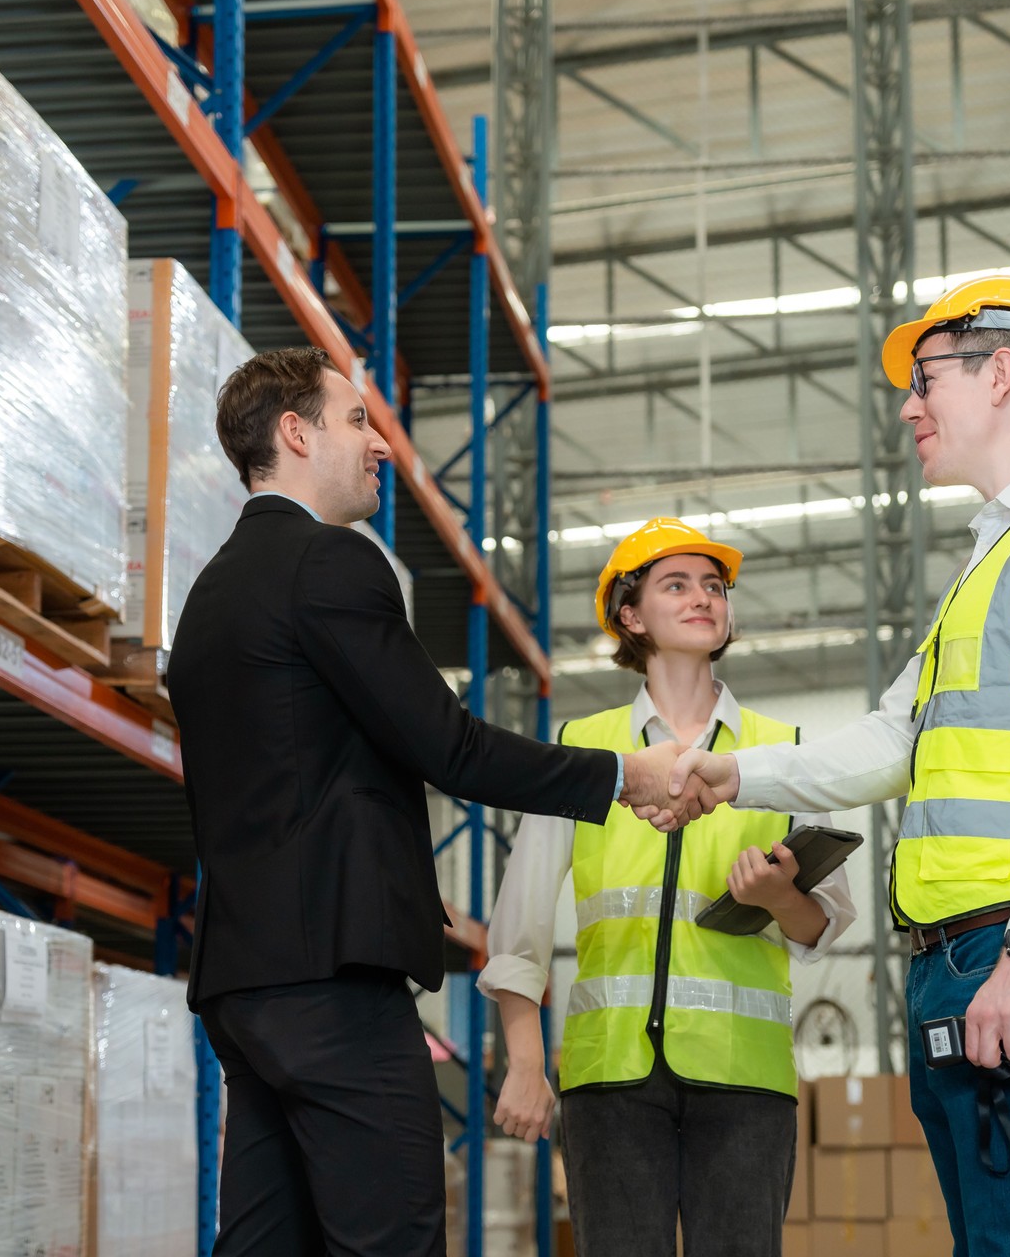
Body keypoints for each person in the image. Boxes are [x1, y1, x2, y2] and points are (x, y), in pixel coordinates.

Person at [665, 276, 1010, 1256]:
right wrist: (730, 773)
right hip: (956, 959)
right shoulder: (991, 564)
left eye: (924, 377)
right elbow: (891, 741)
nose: (908, 404)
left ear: (997, 373)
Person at [166, 346, 711, 1257]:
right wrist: (622, 775)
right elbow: (449, 746)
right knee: (393, 1241)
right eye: (354, 422)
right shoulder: (332, 563)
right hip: (333, 986)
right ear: (294, 435)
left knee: (266, 1243)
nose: (379, 445)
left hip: (243, 984)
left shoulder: (211, 593)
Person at [479, 518, 857, 1257]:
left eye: (714, 586)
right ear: (630, 614)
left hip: (745, 1084)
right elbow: (516, 930)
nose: (703, 598)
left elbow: (826, 923)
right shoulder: (586, 751)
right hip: (609, 1082)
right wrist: (525, 1064)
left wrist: (779, 899)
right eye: (675, 584)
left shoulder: (781, 751)